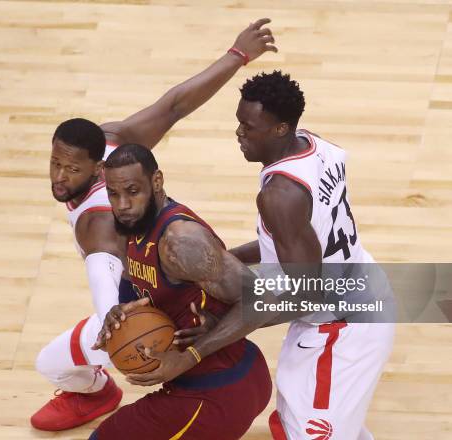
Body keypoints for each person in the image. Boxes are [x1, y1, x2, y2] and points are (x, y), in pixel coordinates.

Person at [30, 19, 278, 431]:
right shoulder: (111, 141)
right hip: (152, 288)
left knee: (52, 362)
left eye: (72, 169)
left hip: (132, 307)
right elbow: (174, 105)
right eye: (56, 163)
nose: (59, 177)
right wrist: (237, 56)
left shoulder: (98, 224)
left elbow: (104, 284)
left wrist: (113, 316)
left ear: (96, 168)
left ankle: (95, 391)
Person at [126, 71, 395, 440]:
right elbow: (296, 236)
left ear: (281, 128)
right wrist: (223, 259)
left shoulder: (279, 196)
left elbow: (306, 295)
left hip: (340, 327)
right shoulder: (314, 146)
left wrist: (201, 348)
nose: (239, 132)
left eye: (249, 127)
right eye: (239, 122)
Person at [91, 144, 272, 440]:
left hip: (216, 391)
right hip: (219, 378)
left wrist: (189, 356)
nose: (122, 204)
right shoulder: (132, 222)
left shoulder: (180, 243)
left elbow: (260, 298)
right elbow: (138, 282)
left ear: (157, 182)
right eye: (113, 194)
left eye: (133, 191)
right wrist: (119, 312)